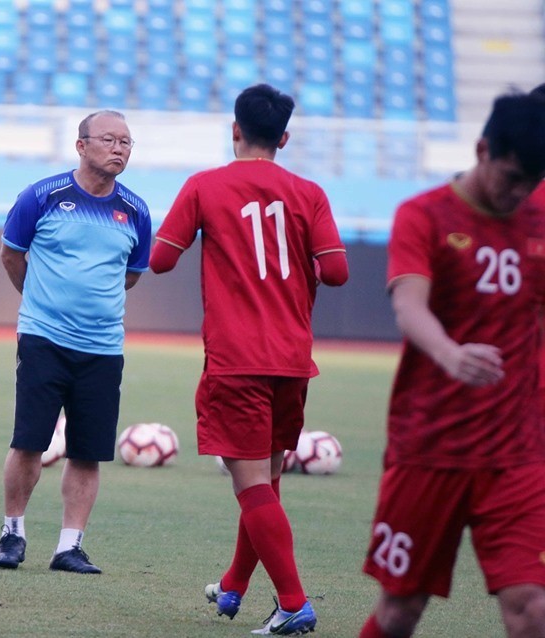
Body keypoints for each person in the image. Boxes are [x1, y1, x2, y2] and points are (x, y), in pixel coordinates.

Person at [149, 83, 348, 635]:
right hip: (292, 357)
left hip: (237, 358)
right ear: (284, 138)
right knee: (267, 478)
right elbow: (336, 272)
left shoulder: (204, 185)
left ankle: (293, 603)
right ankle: (234, 584)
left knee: (253, 485)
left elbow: (161, 260)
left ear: (234, 130)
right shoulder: (309, 192)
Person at [359, 91, 545, 638]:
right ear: (483, 150)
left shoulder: (538, 220)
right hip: (430, 449)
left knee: (532, 607)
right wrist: (449, 353)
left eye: (534, 182)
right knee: (400, 610)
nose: (520, 193)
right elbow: (408, 305)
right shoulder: (423, 215)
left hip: (516, 455)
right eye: (512, 178)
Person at [0, 110, 151, 575]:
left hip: (103, 347)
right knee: (29, 442)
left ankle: (69, 546)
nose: (119, 148)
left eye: (126, 142)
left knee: (87, 450)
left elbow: (130, 275)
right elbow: (11, 254)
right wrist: (41, 303)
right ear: (81, 146)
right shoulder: (41, 196)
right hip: (43, 338)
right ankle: (12, 534)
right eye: (109, 139)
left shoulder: (136, 210)